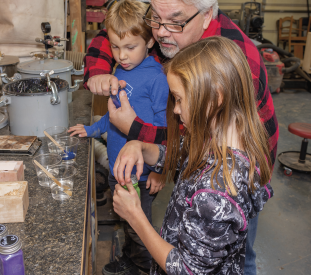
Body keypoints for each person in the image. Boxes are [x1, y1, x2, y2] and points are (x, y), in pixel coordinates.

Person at [83, 0, 279, 275]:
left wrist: (136, 129)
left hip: (242, 175)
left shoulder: (232, 64)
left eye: (173, 21)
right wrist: (100, 72)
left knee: (237, 256)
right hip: (204, 165)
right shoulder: (171, 29)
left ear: (206, 16)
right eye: (154, 19)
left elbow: (193, 135)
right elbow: (114, 36)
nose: (160, 33)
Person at [112, 36, 274, 275]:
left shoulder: (217, 192)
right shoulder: (219, 138)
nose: (175, 110)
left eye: (178, 99)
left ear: (215, 98)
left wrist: (135, 216)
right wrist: (140, 146)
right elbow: (182, 156)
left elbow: (186, 269)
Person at [69, 0, 169, 275]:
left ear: (149, 41)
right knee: (126, 220)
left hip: (139, 173)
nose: (122, 55)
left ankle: (145, 267)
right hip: (117, 169)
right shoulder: (119, 71)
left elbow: (165, 130)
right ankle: (130, 258)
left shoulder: (158, 79)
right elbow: (113, 116)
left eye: (130, 47)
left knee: (139, 225)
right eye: (115, 47)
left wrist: (161, 171)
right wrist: (90, 130)